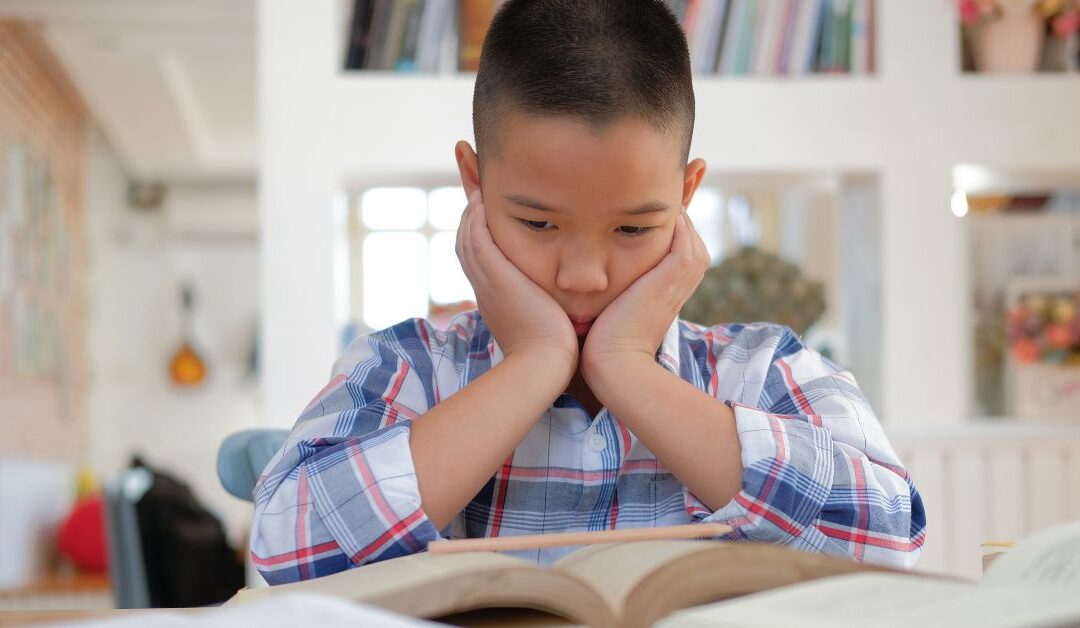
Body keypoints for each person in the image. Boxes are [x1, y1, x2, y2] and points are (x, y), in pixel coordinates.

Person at [250, 0, 926, 585]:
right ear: (474, 183)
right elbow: (282, 546)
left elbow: (890, 542)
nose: (584, 274)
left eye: (633, 227)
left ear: (685, 195)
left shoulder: (764, 371)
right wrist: (533, 364)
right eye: (539, 223)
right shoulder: (408, 370)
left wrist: (627, 368)